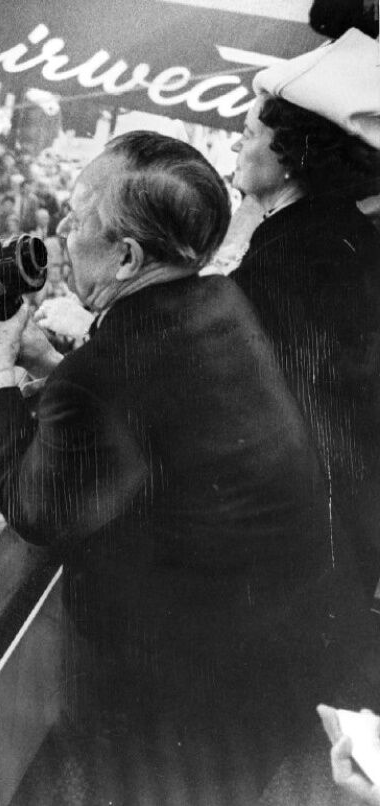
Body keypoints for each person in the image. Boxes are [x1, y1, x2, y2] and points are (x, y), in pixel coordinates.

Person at [0, 131, 359, 803]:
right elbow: (162, 412)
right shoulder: (222, 304)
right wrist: (55, 369)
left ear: (125, 255)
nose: (61, 226)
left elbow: (37, 508)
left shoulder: (100, 376)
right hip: (272, 674)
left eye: (79, 213)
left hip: (175, 714)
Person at [229, 65, 380, 595]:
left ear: (291, 156)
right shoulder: (342, 231)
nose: (235, 147)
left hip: (296, 547)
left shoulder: (284, 257)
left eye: (247, 135)